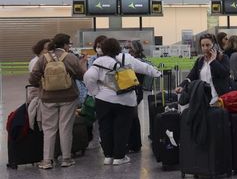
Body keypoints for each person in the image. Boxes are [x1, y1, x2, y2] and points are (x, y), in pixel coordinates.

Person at [85, 38, 161, 166]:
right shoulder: (126, 58)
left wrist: (95, 92)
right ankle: (119, 157)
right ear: (118, 48)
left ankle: (108, 156)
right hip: (125, 99)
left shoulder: (98, 61)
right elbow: (144, 67)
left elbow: (88, 77)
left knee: (105, 127)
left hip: (103, 100)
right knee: (122, 128)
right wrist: (157, 73)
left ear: (102, 49)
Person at [28, 33, 87, 169]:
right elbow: (81, 75)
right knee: (65, 127)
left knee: (49, 129)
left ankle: (47, 160)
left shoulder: (43, 58)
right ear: (65, 45)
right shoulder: (70, 57)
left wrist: (44, 85)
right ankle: (66, 158)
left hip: (48, 98)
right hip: (69, 97)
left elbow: (32, 79)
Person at [176, 34, 233, 105]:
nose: (205, 48)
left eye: (208, 45)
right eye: (202, 45)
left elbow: (225, 73)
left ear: (214, 45)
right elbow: (191, 76)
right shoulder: (200, 61)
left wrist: (213, 61)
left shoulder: (223, 57)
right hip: (203, 100)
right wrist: (181, 85)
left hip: (218, 100)